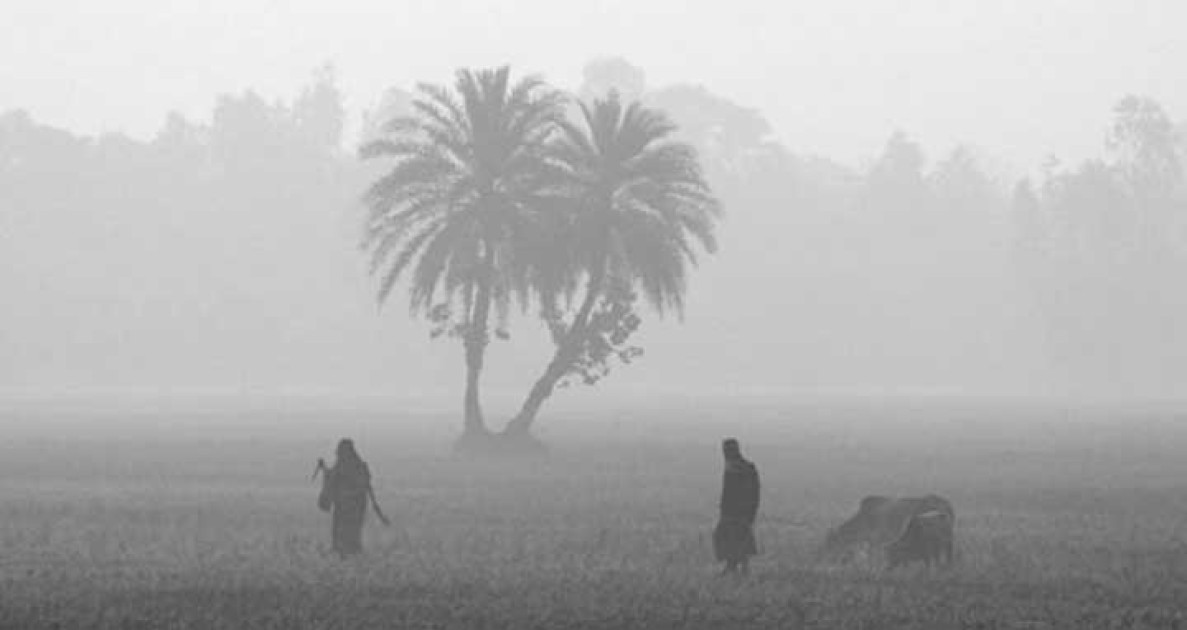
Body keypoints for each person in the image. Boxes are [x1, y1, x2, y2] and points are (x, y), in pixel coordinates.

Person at [317, 438, 386, 557]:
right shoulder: (346, 465)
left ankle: (350, 552)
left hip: (353, 506)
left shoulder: (357, 466)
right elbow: (332, 477)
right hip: (345, 505)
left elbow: (364, 485)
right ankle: (341, 551)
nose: (338, 454)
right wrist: (324, 469)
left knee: (351, 531)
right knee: (340, 530)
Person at [713, 438, 760, 574]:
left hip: (738, 510)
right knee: (734, 537)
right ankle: (733, 566)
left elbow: (750, 491)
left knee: (736, 537)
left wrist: (750, 511)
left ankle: (738, 568)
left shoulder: (738, 467)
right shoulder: (740, 466)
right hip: (737, 510)